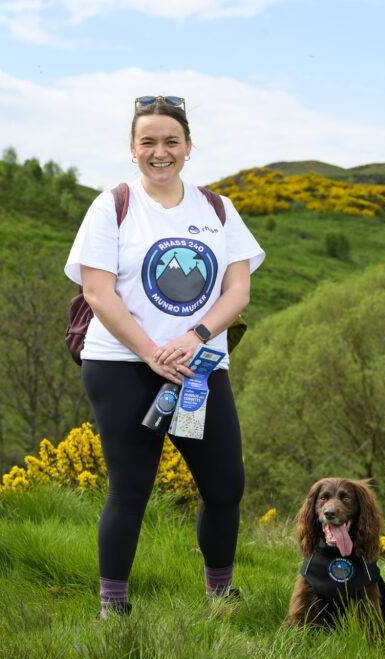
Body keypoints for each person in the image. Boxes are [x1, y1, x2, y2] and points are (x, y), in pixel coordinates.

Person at [65, 95, 264, 618]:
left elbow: (237, 291)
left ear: (189, 147)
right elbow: (97, 291)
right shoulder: (112, 206)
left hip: (198, 369)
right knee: (131, 486)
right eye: (148, 142)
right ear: (132, 149)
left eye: (171, 141)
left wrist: (196, 337)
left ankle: (220, 594)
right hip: (121, 365)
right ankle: (115, 605)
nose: (160, 152)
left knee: (225, 486)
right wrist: (152, 353)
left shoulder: (217, 209)